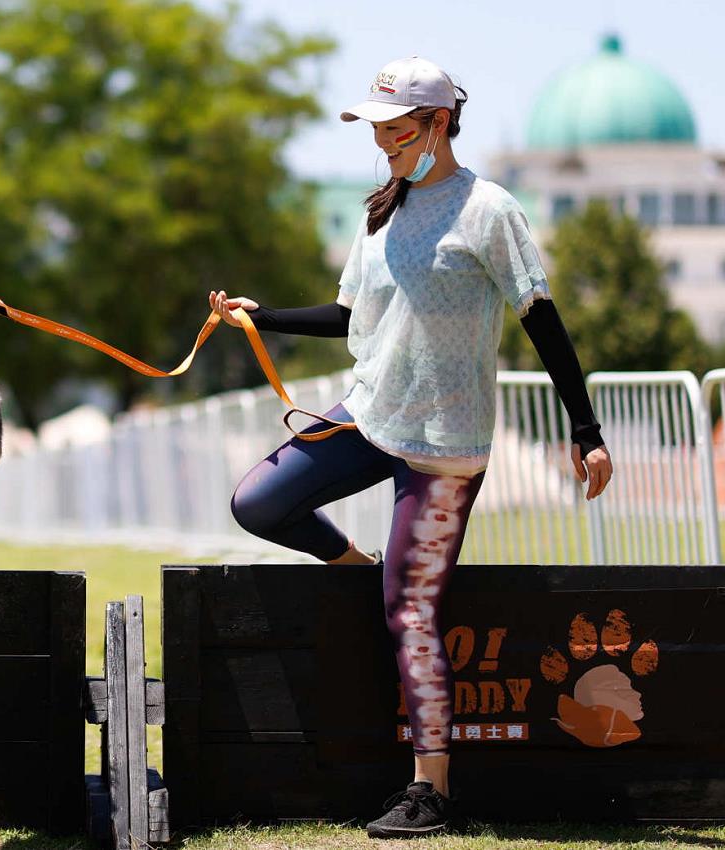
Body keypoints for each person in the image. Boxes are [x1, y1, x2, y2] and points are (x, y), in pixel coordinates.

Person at [209, 56, 613, 838]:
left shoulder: (490, 211)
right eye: (376, 131)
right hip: (366, 414)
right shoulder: (379, 215)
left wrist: (585, 429)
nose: (382, 144)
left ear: (436, 124)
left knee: (411, 611)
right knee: (257, 501)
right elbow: (344, 315)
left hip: (445, 441)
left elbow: (540, 320)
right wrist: (262, 318)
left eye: (393, 129)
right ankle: (364, 572)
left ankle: (430, 789)